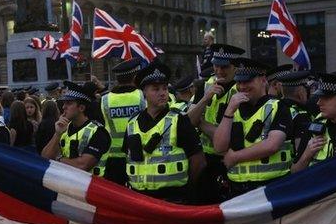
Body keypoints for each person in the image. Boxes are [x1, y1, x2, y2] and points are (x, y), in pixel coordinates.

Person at [122, 60, 205, 203]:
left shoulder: (179, 121)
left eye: (165, 88)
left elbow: (199, 161)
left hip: (173, 199)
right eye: (156, 89)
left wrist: (186, 188)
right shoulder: (132, 123)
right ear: (144, 92)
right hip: (139, 199)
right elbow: (128, 158)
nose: (162, 93)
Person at [213, 58, 293, 197]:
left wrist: (236, 157)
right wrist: (229, 112)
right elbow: (219, 147)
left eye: (247, 81)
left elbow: (272, 145)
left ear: (263, 80)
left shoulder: (278, 106)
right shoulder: (231, 108)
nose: (242, 86)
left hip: (271, 187)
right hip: (237, 189)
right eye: (239, 82)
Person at [188, 43, 245, 203]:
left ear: (235, 67)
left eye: (224, 67)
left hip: (228, 159)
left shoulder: (241, 90)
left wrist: (201, 124)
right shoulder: (206, 85)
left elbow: (227, 138)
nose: (219, 71)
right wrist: (205, 98)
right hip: (205, 160)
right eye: (216, 66)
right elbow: (188, 122)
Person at [41, 81, 110, 176]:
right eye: (64, 103)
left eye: (69, 103)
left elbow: (82, 165)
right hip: (67, 186)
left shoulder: (98, 132)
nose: (64, 107)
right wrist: (57, 134)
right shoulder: (64, 129)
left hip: (91, 187)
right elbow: (44, 158)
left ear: (81, 108)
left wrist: (58, 160)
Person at [100, 58, 146, 185]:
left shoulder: (104, 100)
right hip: (138, 155)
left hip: (113, 160)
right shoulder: (142, 96)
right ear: (135, 77)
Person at [277, 71, 314, 155]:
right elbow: (301, 149)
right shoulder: (301, 114)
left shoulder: (276, 107)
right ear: (300, 92)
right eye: (306, 90)